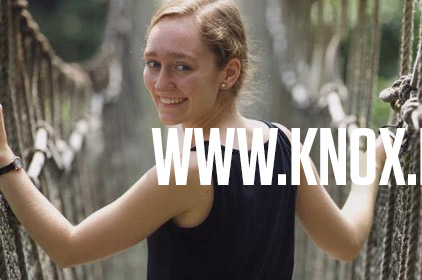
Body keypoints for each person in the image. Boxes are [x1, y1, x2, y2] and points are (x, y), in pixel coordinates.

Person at [0, 0, 387, 278]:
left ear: (229, 73)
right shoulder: (284, 144)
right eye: (153, 64)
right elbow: (346, 243)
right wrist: (373, 163)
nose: (161, 83)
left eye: (182, 67)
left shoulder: (187, 171)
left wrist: (5, 160)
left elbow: (68, 248)